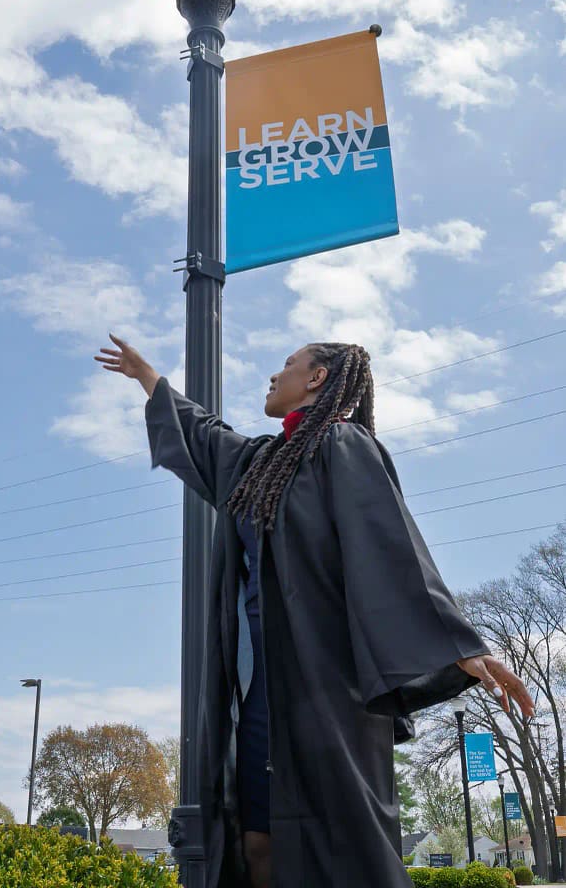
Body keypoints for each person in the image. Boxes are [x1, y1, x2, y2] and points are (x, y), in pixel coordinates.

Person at [94, 335, 535, 888]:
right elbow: (205, 438)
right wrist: (148, 379)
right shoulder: (257, 463)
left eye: (287, 365)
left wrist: (460, 644)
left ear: (319, 378)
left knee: (342, 841)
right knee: (257, 839)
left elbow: (389, 544)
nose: (274, 377)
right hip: (257, 686)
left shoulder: (342, 446)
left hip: (325, 684)